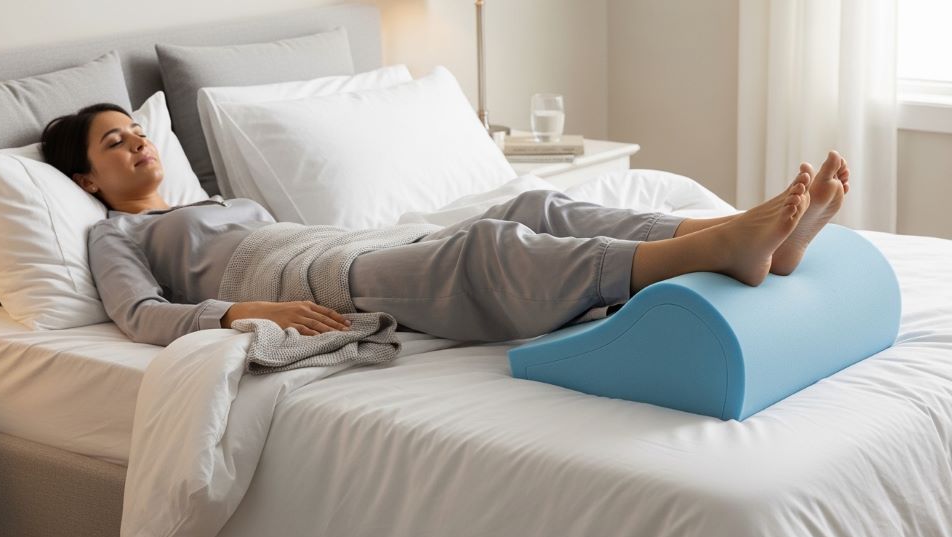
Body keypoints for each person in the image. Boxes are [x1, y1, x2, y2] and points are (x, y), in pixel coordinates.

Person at [41, 103, 850, 346]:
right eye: (116, 142)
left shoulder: (217, 203)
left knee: (532, 205)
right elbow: (142, 316)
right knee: (487, 249)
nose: (139, 142)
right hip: (293, 280)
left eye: (140, 130)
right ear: (87, 178)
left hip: (337, 248)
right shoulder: (117, 236)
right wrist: (251, 313)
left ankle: (740, 233)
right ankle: (721, 250)